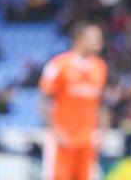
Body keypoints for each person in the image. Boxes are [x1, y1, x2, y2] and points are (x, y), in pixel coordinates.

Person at [39, 22, 107, 180]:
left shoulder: (100, 67)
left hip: (87, 141)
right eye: (95, 37)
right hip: (62, 140)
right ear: (79, 39)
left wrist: (103, 131)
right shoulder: (58, 65)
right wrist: (56, 131)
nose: (100, 41)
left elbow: (100, 103)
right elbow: (43, 101)